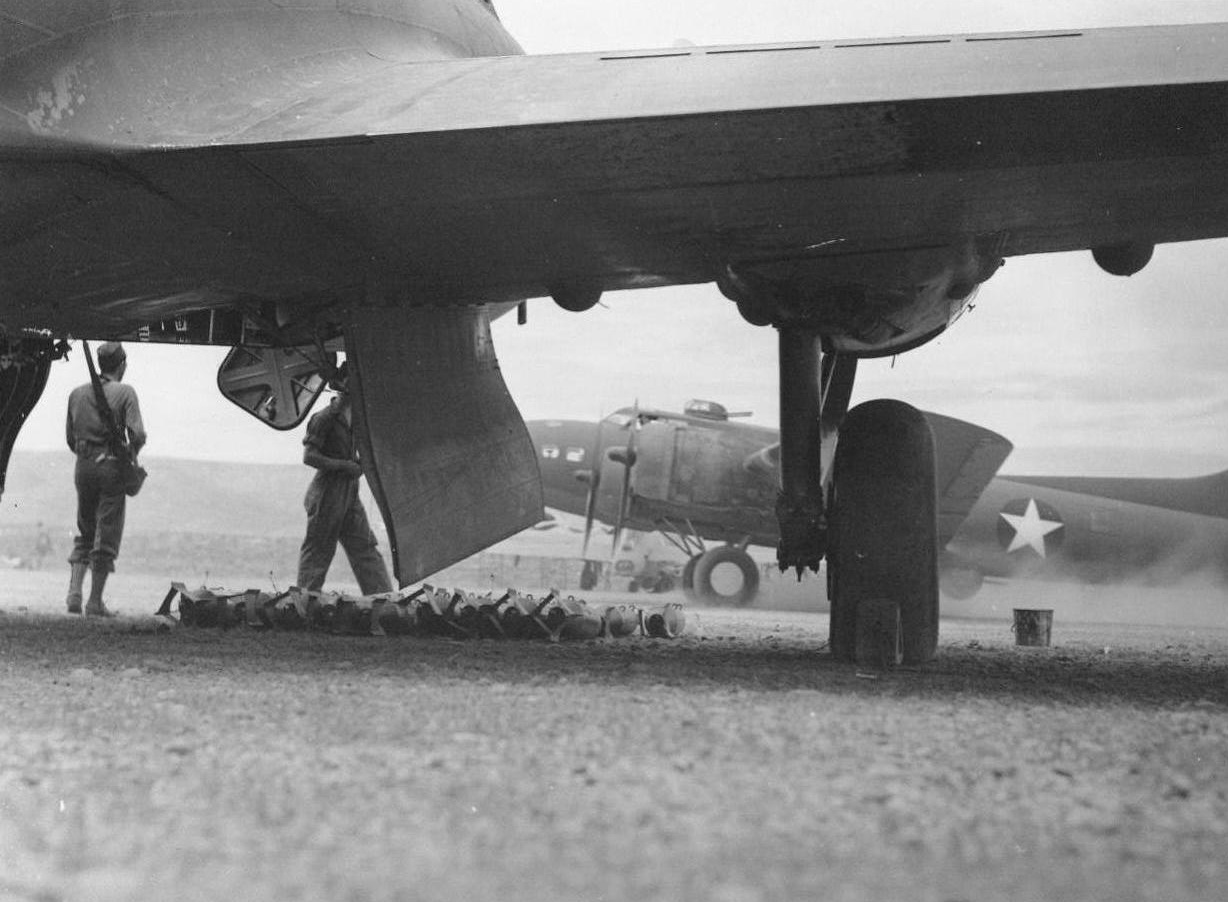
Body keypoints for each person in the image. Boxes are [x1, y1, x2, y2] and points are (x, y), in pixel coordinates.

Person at [296, 364, 393, 596]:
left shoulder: (358, 418)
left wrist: (360, 464)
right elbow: (309, 456)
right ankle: (304, 602)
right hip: (327, 493)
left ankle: (383, 600)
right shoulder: (325, 418)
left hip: (349, 492)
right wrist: (343, 466)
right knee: (319, 550)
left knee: (365, 547)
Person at [64, 341, 146, 616]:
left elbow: (70, 438)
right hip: (110, 468)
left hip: (83, 466)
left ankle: (74, 594)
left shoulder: (76, 394)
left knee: (85, 529)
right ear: (121, 365)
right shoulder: (126, 393)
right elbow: (138, 434)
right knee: (106, 533)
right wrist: (128, 455)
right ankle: (94, 602)